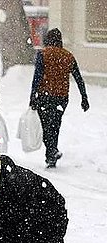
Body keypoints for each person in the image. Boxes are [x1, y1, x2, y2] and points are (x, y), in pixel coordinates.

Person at [29, 28, 90, 168]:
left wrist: (32, 96)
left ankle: (51, 152)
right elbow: (78, 78)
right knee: (55, 125)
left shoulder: (43, 54)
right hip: (61, 98)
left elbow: (37, 77)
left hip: (44, 97)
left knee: (46, 127)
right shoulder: (68, 56)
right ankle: (52, 153)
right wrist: (84, 97)